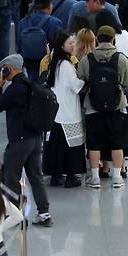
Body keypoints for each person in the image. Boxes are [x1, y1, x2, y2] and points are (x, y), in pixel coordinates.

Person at [0, 54, 52, 225]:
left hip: (19, 140)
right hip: (35, 138)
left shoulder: (15, 88)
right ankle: (44, 213)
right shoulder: (30, 84)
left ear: (10, 68)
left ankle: (14, 216)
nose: (1, 72)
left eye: (3, 69)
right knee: (36, 176)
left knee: (10, 177)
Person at [76, 25, 128, 189]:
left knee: (93, 143)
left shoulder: (87, 59)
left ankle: (95, 178)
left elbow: (80, 80)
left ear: (97, 39)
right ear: (113, 39)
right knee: (117, 142)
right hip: (117, 106)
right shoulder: (121, 59)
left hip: (93, 106)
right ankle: (117, 177)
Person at [42, 32, 86, 188]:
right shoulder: (67, 66)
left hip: (56, 113)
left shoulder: (55, 62)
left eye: (73, 42)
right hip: (68, 112)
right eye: (70, 43)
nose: (73, 45)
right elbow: (76, 86)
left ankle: (56, 175)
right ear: (62, 46)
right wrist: (84, 77)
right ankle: (70, 175)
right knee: (70, 146)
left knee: (56, 146)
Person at [17, 0, 62, 81]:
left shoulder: (23, 22)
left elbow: (19, 42)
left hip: (27, 58)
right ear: (49, 5)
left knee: (32, 80)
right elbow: (58, 44)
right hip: (46, 60)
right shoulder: (54, 22)